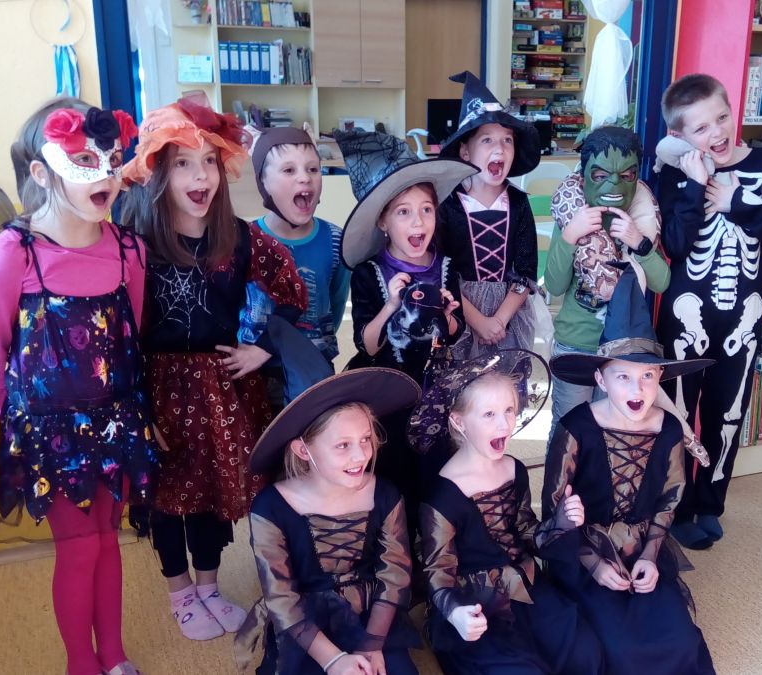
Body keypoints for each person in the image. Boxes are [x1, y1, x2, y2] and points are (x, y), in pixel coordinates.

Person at [0, 98, 151, 675]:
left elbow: (130, 333)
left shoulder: (128, 251)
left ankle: (113, 654)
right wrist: (17, 426)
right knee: (79, 547)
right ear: (43, 173)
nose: (105, 175)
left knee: (108, 539)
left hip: (115, 423)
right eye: (85, 161)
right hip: (50, 433)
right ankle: (81, 662)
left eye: (112, 161)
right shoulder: (13, 254)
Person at [120, 94, 312, 641]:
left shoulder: (241, 237)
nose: (200, 175)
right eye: (183, 163)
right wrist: (135, 407)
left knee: (211, 491)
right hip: (156, 387)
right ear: (159, 173)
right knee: (166, 495)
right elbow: (117, 328)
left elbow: (292, 294)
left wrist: (263, 349)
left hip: (220, 386)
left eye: (208, 161)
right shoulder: (136, 243)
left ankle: (208, 585)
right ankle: (180, 591)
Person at [544, 265, 716, 674]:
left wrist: (652, 555)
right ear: (601, 380)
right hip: (583, 549)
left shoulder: (668, 428)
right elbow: (554, 510)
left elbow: (669, 500)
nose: (637, 390)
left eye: (647, 376)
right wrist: (593, 563)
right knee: (615, 648)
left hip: (641, 546)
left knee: (677, 640)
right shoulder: (576, 428)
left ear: (660, 377)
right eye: (623, 376)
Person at [654, 73, 762, 550]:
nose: (717, 133)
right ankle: (672, 506)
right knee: (676, 414)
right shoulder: (674, 173)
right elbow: (675, 246)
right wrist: (695, 188)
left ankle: (709, 503)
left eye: (722, 117)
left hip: (743, 317)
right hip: (686, 317)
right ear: (678, 136)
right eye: (700, 128)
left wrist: (738, 203)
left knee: (726, 416)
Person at [411, 350, 605, 674]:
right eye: (489, 414)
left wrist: (559, 523)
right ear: (458, 421)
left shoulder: (515, 469)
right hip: (475, 600)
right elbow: (437, 570)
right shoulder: (441, 497)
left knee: (582, 651)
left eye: (509, 410)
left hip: (525, 583)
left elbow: (526, 531)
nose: (504, 424)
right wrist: (455, 611)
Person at [238, 368, 425, 675]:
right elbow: (281, 596)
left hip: (373, 615)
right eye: (343, 445)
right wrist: (333, 660)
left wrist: (372, 645)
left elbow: (395, 576)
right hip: (305, 624)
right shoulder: (270, 507)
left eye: (365, 439)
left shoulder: (385, 494)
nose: (360, 456)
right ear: (303, 450)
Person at [337, 128, 477, 515]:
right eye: (404, 212)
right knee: (392, 470)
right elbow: (367, 344)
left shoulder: (446, 267)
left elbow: (456, 333)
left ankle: (431, 536)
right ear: (383, 221)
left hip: (435, 389)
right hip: (387, 390)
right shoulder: (369, 273)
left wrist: (448, 318)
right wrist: (391, 305)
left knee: (434, 469)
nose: (418, 221)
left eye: (426, 209)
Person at [543, 126, 669, 431]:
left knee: (612, 430)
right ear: (584, 175)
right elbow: (555, 284)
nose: (614, 183)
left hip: (623, 353)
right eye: (600, 175)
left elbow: (661, 282)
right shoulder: (574, 217)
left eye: (626, 175)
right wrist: (570, 235)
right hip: (576, 344)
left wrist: (638, 243)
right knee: (568, 428)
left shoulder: (641, 221)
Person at [436, 71, 545, 360]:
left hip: (509, 317)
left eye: (507, 140)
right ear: (465, 152)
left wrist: (499, 320)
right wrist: (479, 322)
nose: (500, 148)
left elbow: (526, 272)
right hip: (460, 315)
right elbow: (440, 270)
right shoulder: (448, 206)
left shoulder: (519, 203)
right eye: (487, 140)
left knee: (506, 382)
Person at [246, 126, 350, 367]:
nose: (305, 178)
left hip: (314, 366)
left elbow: (335, 304)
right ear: (263, 180)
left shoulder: (336, 240)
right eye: (289, 170)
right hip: (256, 370)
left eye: (313, 169)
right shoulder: (244, 239)